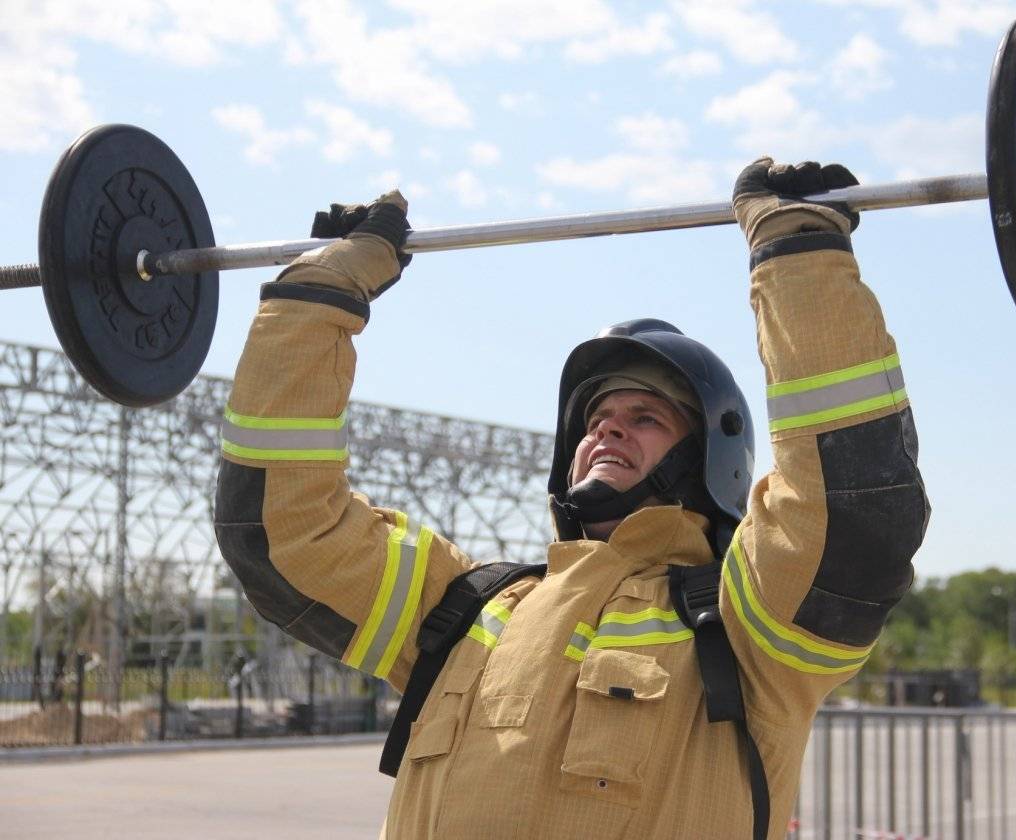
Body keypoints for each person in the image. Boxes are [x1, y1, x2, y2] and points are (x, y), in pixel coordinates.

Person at [214, 158, 929, 839]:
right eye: (597, 420)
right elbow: (285, 533)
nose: (609, 426)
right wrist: (314, 298)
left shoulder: (747, 623)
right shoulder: (466, 609)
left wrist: (797, 255)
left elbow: (851, 506)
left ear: (707, 457)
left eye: (646, 417)